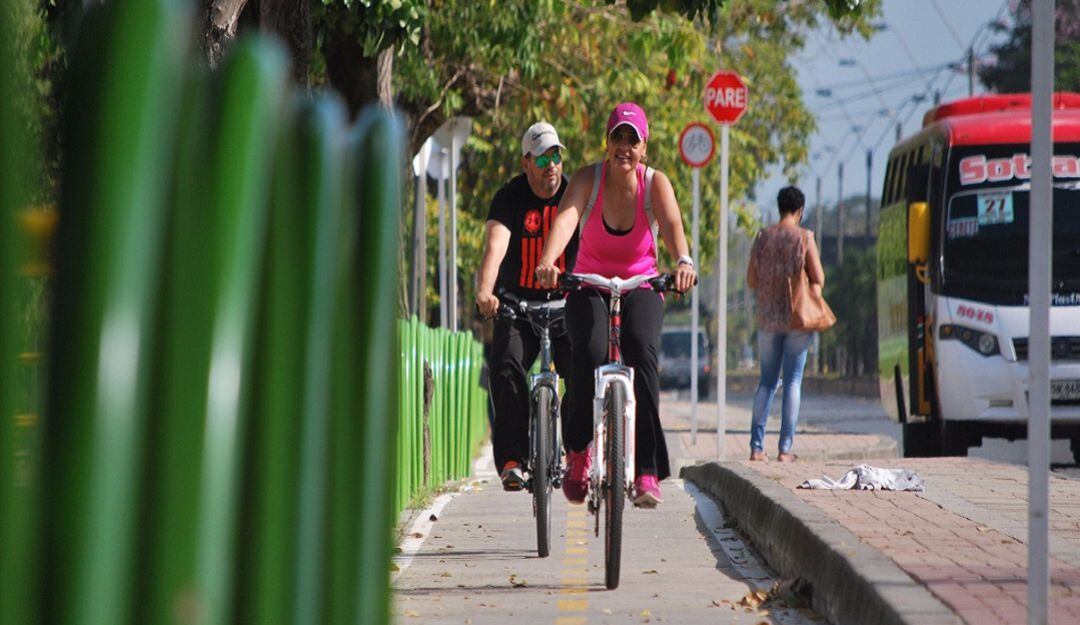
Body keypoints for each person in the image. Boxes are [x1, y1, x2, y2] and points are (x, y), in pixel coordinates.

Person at [535, 102, 696, 508]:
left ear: (645, 147)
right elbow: (565, 221)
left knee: (641, 350)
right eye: (617, 137)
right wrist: (548, 261)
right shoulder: (590, 179)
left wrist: (683, 262)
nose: (624, 146)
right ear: (607, 142)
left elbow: (675, 228)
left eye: (633, 139)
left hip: (641, 282)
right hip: (589, 281)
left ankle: (645, 470)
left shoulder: (655, 184)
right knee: (586, 352)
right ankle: (578, 452)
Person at [476, 121, 578, 491]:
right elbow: (495, 246)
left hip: (567, 306)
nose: (552, 164)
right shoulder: (509, 198)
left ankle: (576, 450)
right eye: (543, 158)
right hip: (517, 305)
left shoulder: (573, 195)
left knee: (582, 372)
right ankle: (513, 459)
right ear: (526, 163)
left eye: (556, 156)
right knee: (505, 368)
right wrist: (487, 291)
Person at [745, 186, 825, 462]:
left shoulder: (762, 237)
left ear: (780, 207)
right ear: (800, 211)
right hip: (797, 319)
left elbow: (751, 280)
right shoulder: (804, 237)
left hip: (767, 319)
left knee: (766, 382)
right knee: (792, 382)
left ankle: (757, 448)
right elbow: (819, 278)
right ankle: (785, 450)